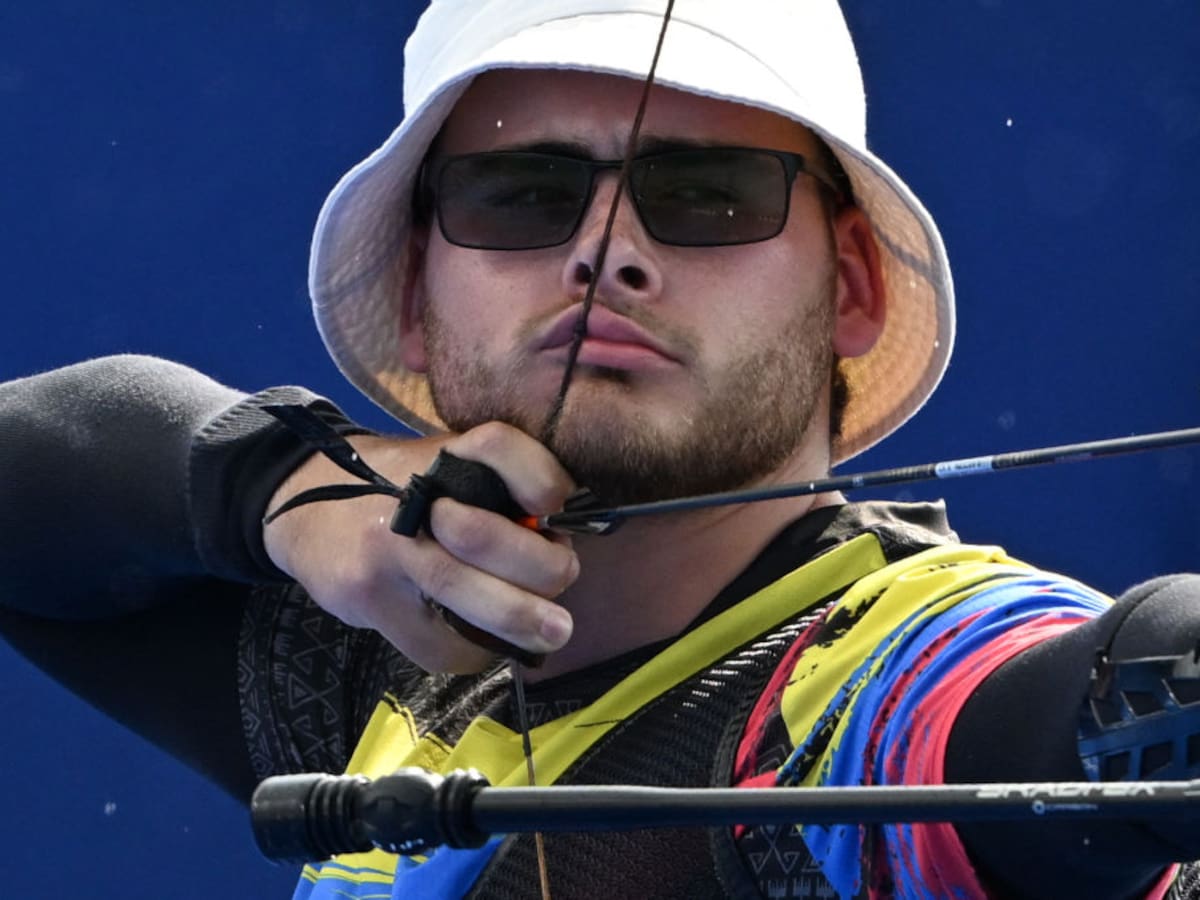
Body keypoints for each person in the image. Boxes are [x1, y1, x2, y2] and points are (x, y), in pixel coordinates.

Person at [2, 1, 1198, 898]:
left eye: (710, 192)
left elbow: (1085, 702)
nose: (605, 253)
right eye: (522, 194)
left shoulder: (882, 686)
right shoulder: (392, 669)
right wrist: (285, 485)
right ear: (417, 294)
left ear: (851, 286)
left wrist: (1159, 676)